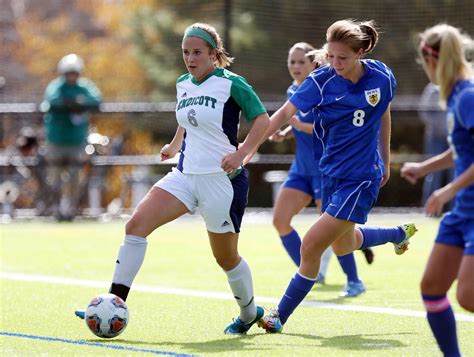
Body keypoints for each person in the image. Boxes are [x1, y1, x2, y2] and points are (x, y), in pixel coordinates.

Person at [75, 23, 270, 335]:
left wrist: (243, 152)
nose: (190, 58)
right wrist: (175, 144)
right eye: (185, 52)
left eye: (197, 52)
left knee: (226, 258)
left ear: (213, 54)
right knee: (135, 227)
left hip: (222, 181)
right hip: (184, 175)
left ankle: (249, 313)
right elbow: (187, 119)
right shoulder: (184, 84)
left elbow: (263, 119)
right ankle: (112, 303)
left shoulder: (231, 83)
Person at [250, 19, 417, 333]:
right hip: (330, 174)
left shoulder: (381, 76)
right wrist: (248, 148)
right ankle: (398, 234)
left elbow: (384, 112)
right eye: (331, 55)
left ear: (361, 52)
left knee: (311, 245)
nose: (335, 63)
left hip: (362, 176)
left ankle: (278, 316)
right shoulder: (321, 80)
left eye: (343, 57)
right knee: (344, 245)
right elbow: (284, 113)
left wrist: (386, 155)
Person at [270, 42, 372, 297]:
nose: (295, 66)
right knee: (280, 220)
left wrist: (295, 123)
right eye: (291, 61)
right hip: (300, 169)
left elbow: (324, 126)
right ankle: (309, 272)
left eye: (301, 61)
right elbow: (299, 123)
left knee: (337, 234)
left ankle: (354, 281)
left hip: (324, 170)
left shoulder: (325, 89)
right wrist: (285, 131)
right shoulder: (293, 89)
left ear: (314, 63)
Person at [401, 24, 474, 357]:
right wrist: (424, 168)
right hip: (464, 210)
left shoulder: (468, 95)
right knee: (432, 288)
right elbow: (461, 151)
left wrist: (446, 191)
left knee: (468, 296)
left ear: (433, 60)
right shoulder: (457, 95)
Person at [40, 54, 102, 220]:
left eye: (74, 73)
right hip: (56, 141)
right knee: (54, 178)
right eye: (69, 73)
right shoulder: (56, 87)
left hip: (76, 140)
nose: (72, 76)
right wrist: (68, 103)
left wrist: (79, 102)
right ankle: (55, 209)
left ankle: (70, 209)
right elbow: (52, 101)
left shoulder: (84, 87)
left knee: (75, 178)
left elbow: (96, 99)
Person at [419, 82, 453, 205]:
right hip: (435, 138)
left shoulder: (458, 88)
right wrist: (440, 126)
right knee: (433, 173)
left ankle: (454, 210)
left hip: (453, 137)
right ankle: (428, 209)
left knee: (455, 173)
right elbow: (424, 113)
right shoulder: (432, 89)